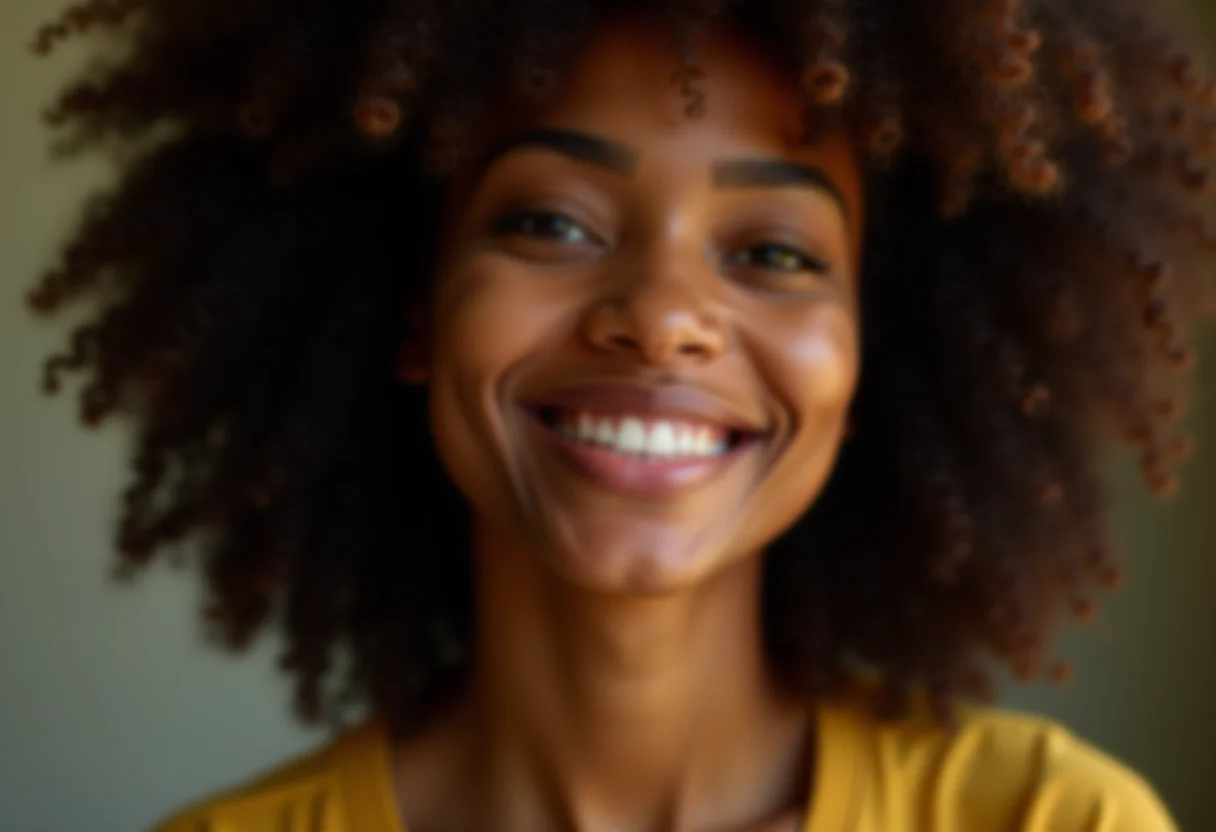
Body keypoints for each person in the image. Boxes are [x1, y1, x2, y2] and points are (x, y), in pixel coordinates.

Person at [28, 0, 1213, 829]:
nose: (660, 317)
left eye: (773, 251)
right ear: (416, 314)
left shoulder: (1051, 820)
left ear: (861, 367)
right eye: (551, 223)